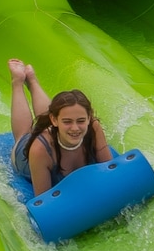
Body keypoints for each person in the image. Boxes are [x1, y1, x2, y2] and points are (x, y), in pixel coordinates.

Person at [6, 59, 111, 191]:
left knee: (51, 117)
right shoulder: (39, 149)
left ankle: (32, 80)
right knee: (23, 134)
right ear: (54, 120)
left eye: (81, 121)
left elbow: (110, 171)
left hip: (57, 133)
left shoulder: (93, 127)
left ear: (89, 118)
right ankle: (17, 81)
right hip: (26, 161)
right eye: (67, 122)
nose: (75, 128)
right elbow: (44, 198)